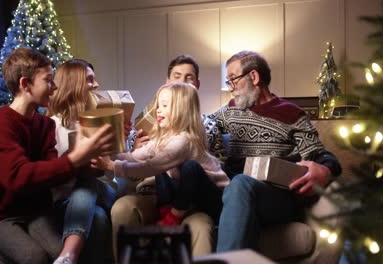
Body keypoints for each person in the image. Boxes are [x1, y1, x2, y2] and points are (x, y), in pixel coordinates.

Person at [0, 48, 115, 264]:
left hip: (36, 210)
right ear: (25, 84)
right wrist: (75, 158)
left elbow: (51, 171)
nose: (55, 87)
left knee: (60, 252)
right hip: (1, 216)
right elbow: (18, 178)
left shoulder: (44, 124)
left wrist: (89, 156)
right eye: (48, 80)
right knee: (35, 257)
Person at [208, 50, 342, 252]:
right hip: (235, 197)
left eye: (233, 79)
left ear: (253, 76)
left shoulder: (291, 114)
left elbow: (320, 155)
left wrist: (327, 170)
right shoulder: (230, 110)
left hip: (276, 198)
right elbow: (201, 124)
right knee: (237, 186)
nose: (231, 88)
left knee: (240, 183)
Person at [111, 54, 222, 258]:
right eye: (177, 76)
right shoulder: (152, 125)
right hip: (157, 189)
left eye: (189, 78)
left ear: (196, 84)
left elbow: (154, 164)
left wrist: (115, 164)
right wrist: (115, 148)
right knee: (123, 207)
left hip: (196, 195)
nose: (182, 81)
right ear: (167, 80)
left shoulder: (200, 129)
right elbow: (135, 158)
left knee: (198, 223)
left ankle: (175, 214)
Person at [93, 81, 229, 225]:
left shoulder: (183, 142)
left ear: (182, 110)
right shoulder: (165, 140)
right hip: (189, 195)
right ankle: (165, 208)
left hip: (215, 198)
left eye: (164, 106)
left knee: (186, 166)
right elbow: (133, 157)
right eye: (158, 105)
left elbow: (148, 167)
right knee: (161, 164)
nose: (158, 110)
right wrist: (110, 150)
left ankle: (175, 215)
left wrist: (111, 166)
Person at [47, 59, 118, 264]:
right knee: (98, 218)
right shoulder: (52, 125)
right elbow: (51, 172)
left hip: (103, 191)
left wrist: (118, 147)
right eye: (89, 80)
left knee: (86, 182)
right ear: (73, 84)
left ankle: (68, 254)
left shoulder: (98, 121)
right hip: (66, 199)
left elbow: (112, 172)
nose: (96, 85)